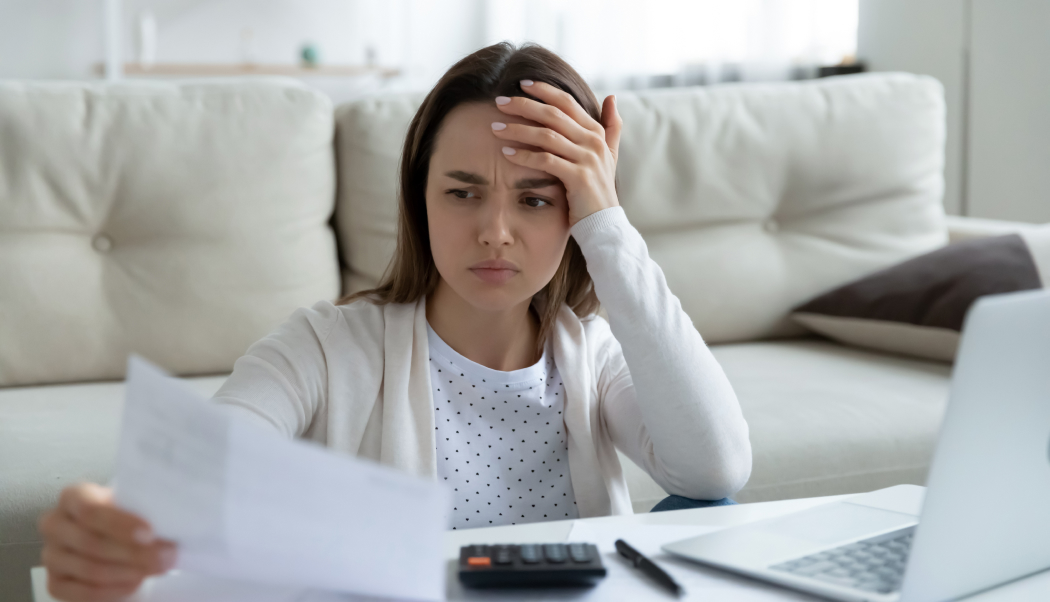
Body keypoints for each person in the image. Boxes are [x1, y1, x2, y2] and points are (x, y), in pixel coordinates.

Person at [37, 41, 752, 602]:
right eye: (463, 192)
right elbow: (198, 473)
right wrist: (112, 527)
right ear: (421, 200)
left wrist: (609, 227)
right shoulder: (322, 347)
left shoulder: (593, 354)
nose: (495, 232)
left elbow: (715, 466)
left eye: (537, 199)